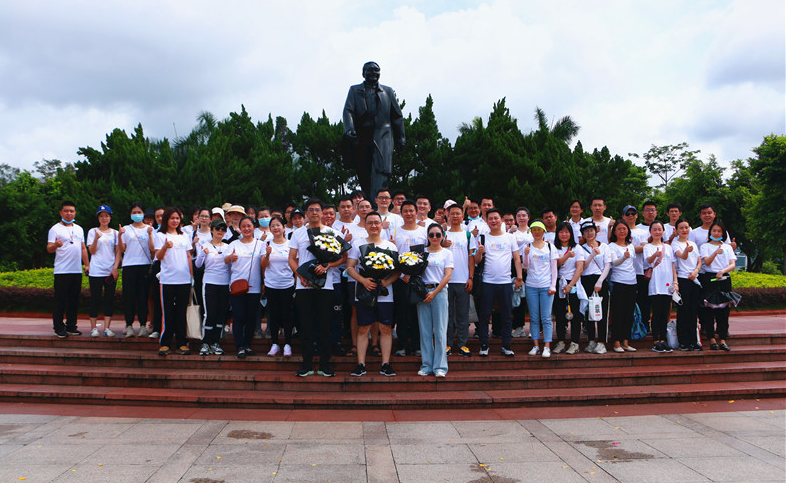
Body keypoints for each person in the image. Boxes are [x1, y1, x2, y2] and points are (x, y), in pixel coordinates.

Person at [289, 198, 346, 377]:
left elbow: (343, 258)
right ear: (306, 213)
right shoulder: (298, 233)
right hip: (304, 285)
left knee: (324, 325)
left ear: (322, 213)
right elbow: (291, 258)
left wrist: (328, 265)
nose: (314, 212)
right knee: (306, 326)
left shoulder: (332, 232)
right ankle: (306, 364)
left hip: (325, 285)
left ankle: (324, 365)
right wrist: (300, 275)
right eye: (311, 210)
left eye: (317, 209)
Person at [346, 212, 401, 376]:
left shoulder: (390, 246)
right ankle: (361, 364)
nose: (374, 225)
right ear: (365, 225)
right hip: (364, 291)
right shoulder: (357, 244)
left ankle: (385, 364)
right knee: (363, 328)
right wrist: (363, 280)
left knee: (385, 328)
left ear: (382, 224)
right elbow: (350, 267)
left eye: (377, 222)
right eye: (370, 223)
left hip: (385, 293)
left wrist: (386, 282)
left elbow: (397, 271)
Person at [342, 61, 406, 199]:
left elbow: (397, 116)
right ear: (363, 73)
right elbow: (348, 111)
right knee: (363, 170)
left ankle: (379, 199)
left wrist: (401, 137)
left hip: (383, 135)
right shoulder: (354, 90)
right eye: (370, 70)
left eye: (376, 70)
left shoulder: (387, 91)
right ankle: (369, 200)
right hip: (362, 136)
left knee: (382, 170)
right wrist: (350, 128)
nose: (373, 73)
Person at [475, 209, 523, 357]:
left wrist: (519, 277)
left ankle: (506, 345)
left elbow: (516, 258)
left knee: (506, 315)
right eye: (490, 218)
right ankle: (484, 344)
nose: (493, 221)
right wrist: (479, 252)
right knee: (484, 315)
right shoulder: (483, 238)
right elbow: (477, 261)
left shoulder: (509, 238)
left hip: (505, 282)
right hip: (487, 282)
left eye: (496, 218)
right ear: (487, 221)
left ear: (501, 220)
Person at [47, 201, 89, 338]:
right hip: (62, 270)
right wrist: (55, 245)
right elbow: (49, 248)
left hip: (76, 270)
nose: (69, 213)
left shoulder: (79, 229)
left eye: (71, 211)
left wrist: (87, 264)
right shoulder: (55, 229)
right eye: (66, 211)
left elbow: (83, 248)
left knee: (74, 300)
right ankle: (58, 327)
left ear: (75, 213)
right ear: (61, 212)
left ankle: (71, 326)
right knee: (60, 300)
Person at [154, 207, 193, 356]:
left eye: (177, 218)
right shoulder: (160, 235)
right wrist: (165, 246)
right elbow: (159, 257)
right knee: (168, 312)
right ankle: (165, 343)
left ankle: (182, 342)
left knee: (181, 312)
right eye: (172, 218)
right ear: (166, 219)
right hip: (168, 280)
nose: (175, 221)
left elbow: (188, 256)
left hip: (184, 279)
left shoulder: (184, 236)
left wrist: (191, 276)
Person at [416, 223, 454, 376]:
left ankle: (440, 367)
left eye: (438, 235)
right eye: (431, 235)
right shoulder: (421, 252)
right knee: (425, 330)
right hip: (423, 292)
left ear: (443, 236)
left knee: (440, 330)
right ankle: (426, 365)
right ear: (427, 236)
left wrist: (435, 292)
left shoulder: (447, 253)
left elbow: (448, 275)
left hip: (440, 292)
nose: (435, 237)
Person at [225, 215, 264, 359]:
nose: (246, 229)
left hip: (254, 286)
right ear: (240, 229)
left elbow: (264, 264)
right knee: (238, 316)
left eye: (249, 226)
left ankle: (247, 344)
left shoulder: (260, 244)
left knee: (251, 318)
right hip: (237, 285)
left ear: (254, 227)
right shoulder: (234, 244)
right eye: (243, 226)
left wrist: (264, 282)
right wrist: (230, 258)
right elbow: (225, 260)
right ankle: (239, 346)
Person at [391, 200, 427, 356]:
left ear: (416, 212)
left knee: (418, 313)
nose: (409, 213)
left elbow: (427, 254)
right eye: (405, 211)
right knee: (402, 313)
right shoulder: (395, 232)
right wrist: (402, 274)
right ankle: (403, 345)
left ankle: (418, 345)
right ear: (401, 213)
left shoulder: (424, 232)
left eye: (411, 210)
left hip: (419, 278)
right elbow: (392, 255)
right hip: (400, 279)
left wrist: (414, 274)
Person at [699, 220, 737, 351]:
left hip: (724, 278)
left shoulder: (727, 247)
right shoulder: (705, 246)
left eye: (719, 231)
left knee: (724, 311)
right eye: (714, 231)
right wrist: (715, 252)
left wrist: (723, 271)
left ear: (723, 233)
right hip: (710, 278)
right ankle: (712, 339)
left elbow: (733, 264)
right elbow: (707, 262)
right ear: (710, 232)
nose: (716, 233)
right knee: (709, 310)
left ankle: (723, 339)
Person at [119, 202, 155, 337]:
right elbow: (122, 249)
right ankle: (129, 325)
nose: (137, 215)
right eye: (134, 212)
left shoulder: (149, 229)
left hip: (144, 265)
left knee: (143, 297)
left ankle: (143, 325)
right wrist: (119, 235)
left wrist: (150, 234)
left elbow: (152, 249)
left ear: (143, 214)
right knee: (129, 297)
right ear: (130, 214)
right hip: (129, 265)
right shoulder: (125, 229)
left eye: (139, 212)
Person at [522, 220, 558, 357]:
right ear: (531, 232)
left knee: (546, 317)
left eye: (539, 230)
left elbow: (554, 269)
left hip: (546, 285)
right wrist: (526, 254)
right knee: (534, 317)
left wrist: (553, 285)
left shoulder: (550, 247)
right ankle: (536, 345)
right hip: (531, 285)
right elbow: (525, 266)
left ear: (544, 232)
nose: (536, 232)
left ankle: (547, 346)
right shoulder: (527, 246)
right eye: (534, 230)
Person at [194, 219, 230, 356]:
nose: (220, 231)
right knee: (210, 313)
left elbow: (231, 266)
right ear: (212, 230)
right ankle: (205, 342)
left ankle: (215, 342)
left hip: (224, 283)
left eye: (223, 229)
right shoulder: (205, 245)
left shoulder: (228, 247)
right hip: (210, 282)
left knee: (221, 314)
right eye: (217, 228)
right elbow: (198, 265)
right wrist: (203, 253)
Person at [444, 203, 476, 357]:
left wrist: (470, 277)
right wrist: (442, 245)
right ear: (448, 216)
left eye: (458, 213)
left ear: (463, 216)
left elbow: (471, 258)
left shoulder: (468, 235)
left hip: (463, 280)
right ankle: (448, 344)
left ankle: (463, 344)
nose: (455, 216)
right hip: (446, 281)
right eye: (452, 213)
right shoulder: (442, 234)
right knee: (447, 315)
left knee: (463, 315)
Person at [261, 216, 295, 358]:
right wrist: (267, 255)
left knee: (287, 315)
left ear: (284, 227)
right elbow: (263, 265)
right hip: (271, 284)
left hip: (287, 284)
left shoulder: (290, 244)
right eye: (273, 226)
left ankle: (287, 344)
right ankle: (275, 343)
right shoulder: (267, 244)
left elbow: (295, 263)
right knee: (273, 315)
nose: (275, 228)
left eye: (278, 225)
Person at [644, 221, 678, 353]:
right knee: (656, 313)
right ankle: (655, 340)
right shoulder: (648, 247)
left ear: (663, 231)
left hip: (667, 285)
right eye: (655, 229)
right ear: (650, 232)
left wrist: (675, 282)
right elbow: (648, 261)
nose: (657, 232)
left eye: (659, 229)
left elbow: (673, 265)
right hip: (655, 284)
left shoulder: (668, 247)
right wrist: (655, 255)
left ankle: (663, 339)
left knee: (665, 313)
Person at [552, 221, 586, 355]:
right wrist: (566, 256)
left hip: (573, 283)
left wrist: (570, 285)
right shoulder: (553, 247)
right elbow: (555, 264)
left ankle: (574, 343)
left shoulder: (577, 248)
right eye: (561, 232)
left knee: (575, 315)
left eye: (567, 231)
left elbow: (580, 268)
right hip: (558, 284)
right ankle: (560, 342)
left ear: (571, 234)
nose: (564, 234)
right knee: (560, 314)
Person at [87, 205, 120, 337]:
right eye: (101, 216)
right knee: (95, 298)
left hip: (110, 271)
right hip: (96, 270)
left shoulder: (115, 233)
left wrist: (115, 268)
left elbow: (118, 252)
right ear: (98, 218)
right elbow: (91, 251)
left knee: (109, 299)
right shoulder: (92, 231)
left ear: (110, 218)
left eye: (106, 216)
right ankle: (93, 328)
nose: (104, 218)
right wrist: (96, 238)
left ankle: (107, 327)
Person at [579, 220, 611, 354]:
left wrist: (600, 282)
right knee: (589, 312)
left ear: (596, 232)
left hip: (600, 279)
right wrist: (592, 254)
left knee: (602, 311)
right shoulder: (581, 248)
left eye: (591, 230)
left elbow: (607, 265)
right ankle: (591, 340)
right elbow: (583, 266)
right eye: (586, 231)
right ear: (583, 234)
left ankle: (602, 342)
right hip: (586, 280)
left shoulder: (604, 247)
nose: (589, 233)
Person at [607, 220, 638, 352]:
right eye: (619, 229)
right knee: (618, 313)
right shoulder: (611, 246)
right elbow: (614, 263)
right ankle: (616, 342)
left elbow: (633, 264)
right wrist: (624, 257)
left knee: (629, 313)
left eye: (624, 229)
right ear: (614, 232)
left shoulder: (631, 246)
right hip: (618, 282)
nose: (622, 231)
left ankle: (626, 341)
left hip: (632, 282)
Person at [672, 218, 702, 351]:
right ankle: (683, 341)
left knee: (693, 311)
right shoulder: (675, 243)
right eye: (681, 228)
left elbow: (699, 261)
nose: (684, 230)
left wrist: (696, 271)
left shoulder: (693, 243)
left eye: (686, 227)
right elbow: (682, 256)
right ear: (676, 230)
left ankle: (693, 341)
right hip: (683, 279)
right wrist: (686, 251)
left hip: (694, 279)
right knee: (683, 311)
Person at [622, 205, 651, 334]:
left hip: (639, 269)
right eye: (627, 214)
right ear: (623, 216)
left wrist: (627, 248)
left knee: (643, 299)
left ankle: (644, 324)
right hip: (623, 271)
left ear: (637, 215)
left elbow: (644, 248)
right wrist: (635, 248)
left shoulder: (642, 232)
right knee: (625, 301)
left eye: (633, 213)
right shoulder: (621, 230)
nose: (630, 216)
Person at [511, 207, 533, 338]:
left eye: (524, 215)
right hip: (516, 265)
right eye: (518, 215)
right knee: (518, 296)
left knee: (531, 297)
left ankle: (535, 328)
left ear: (528, 217)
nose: (521, 218)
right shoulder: (512, 233)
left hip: (532, 266)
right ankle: (518, 326)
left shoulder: (533, 231)